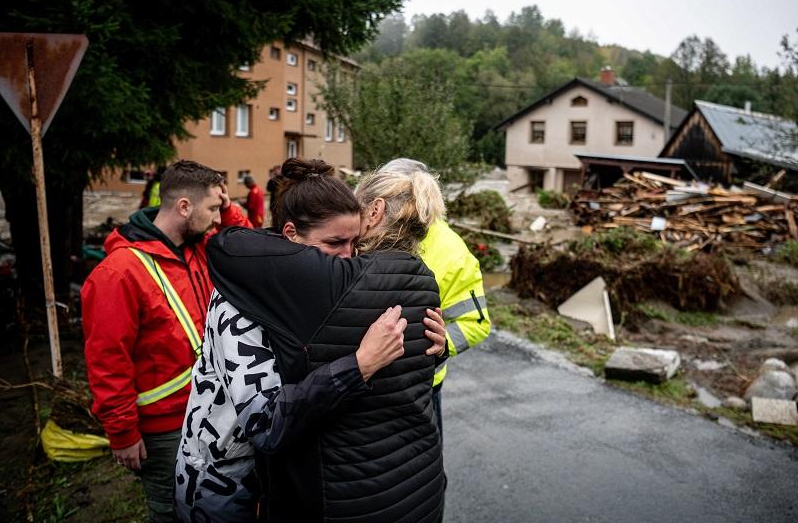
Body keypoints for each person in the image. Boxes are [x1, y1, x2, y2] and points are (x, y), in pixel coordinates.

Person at [174, 157, 446, 521]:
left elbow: (228, 247)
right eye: (335, 241)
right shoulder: (424, 279)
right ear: (290, 238)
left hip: (344, 495)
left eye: (352, 239)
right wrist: (425, 355)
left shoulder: (332, 283)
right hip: (418, 487)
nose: (347, 254)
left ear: (375, 212)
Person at [81, 160, 252, 522]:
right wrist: (123, 433)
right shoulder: (118, 273)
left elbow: (247, 250)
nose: (216, 218)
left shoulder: (198, 248)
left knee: (207, 501)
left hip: (208, 407)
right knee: (171, 510)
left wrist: (228, 206)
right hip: (163, 428)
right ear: (184, 207)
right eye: (211, 209)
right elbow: (108, 361)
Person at [380, 158, 491, 438]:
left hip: (421, 386)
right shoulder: (371, 230)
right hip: (367, 379)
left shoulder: (454, 253)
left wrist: (440, 345)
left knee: (420, 466)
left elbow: (476, 322)